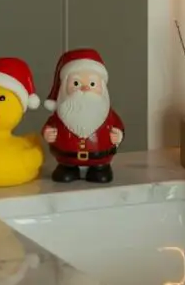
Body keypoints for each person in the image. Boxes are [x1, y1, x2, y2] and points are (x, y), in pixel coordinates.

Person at [42, 48, 124, 184]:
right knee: (65, 174)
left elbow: (118, 126)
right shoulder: (61, 114)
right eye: (76, 83)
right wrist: (48, 132)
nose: (85, 88)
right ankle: (68, 168)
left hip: (100, 157)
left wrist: (118, 135)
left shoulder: (107, 114)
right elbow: (50, 124)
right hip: (66, 157)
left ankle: (100, 168)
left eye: (92, 84)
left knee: (100, 175)